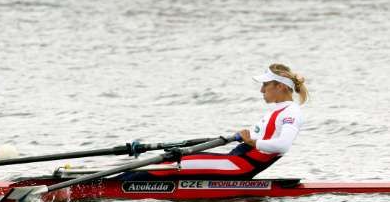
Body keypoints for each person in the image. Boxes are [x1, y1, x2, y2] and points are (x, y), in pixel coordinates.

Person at [119, 63, 308, 180]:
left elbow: (282, 145)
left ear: (281, 86)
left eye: (265, 85)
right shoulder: (277, 111)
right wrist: (247, 138)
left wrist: (252, 141)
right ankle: (117, 178)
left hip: (239, 166)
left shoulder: (292, 112)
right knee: (171, 160)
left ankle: (111, 185)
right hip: (235, 159)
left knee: (173, 165)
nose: (261, 90)